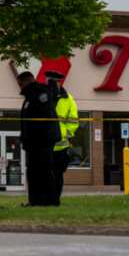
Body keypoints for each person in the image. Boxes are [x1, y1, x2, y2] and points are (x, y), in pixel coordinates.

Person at [18, 71, 60, 206]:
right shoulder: (30, 96)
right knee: (33, 173)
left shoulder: (40, 93)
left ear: (27, 81)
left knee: (44, 171)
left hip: (42, 141)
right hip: (33, 142)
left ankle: (50, 201)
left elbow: (45, 117)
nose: (19, 87)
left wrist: (34, 138)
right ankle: (35, 201)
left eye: (20, 83)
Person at [47, 71, 79, 205]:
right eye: (50, 81)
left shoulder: (68, 99)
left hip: (60, 145)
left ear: (60, 82)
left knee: (58, 175)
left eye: (55, 81)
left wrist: (63, 133)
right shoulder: (45, 97)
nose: (53, 84)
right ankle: (46, 200)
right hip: (45, 144)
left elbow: (73, 121)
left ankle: (55, 200)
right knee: (46, 175)